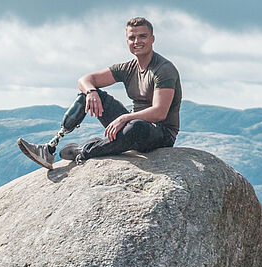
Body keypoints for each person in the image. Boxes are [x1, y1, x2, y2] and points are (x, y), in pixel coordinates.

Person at [17, 17, 182, 168]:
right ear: (127, 41)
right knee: (88, 95)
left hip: (160, 134)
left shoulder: (163, 69)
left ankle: (84, 151)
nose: (137, 41)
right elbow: (85, 79)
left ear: (152, 39)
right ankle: (50, 147)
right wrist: (91, 92)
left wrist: (124, 117)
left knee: (135, 127)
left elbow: (159, 113)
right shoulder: (128, 68)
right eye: (132, 38)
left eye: (142, 36)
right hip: (133, 123)